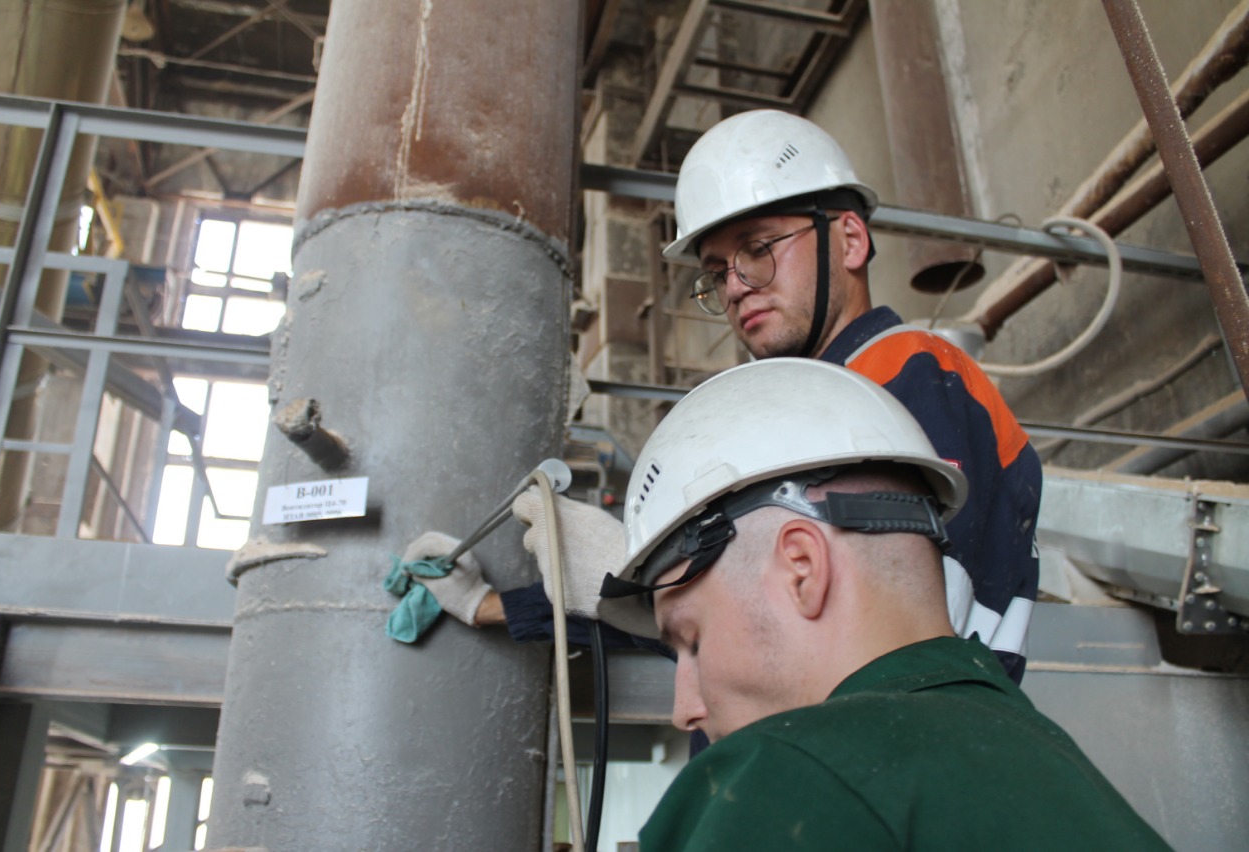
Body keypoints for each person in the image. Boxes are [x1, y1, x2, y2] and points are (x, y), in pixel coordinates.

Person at [413, 109, 1041, 682]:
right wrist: (487, 605)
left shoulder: (907, 373)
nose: (736, 287)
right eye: (716, 272)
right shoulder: (805, 410)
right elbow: (713, 620)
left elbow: (882, 625)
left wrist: (640, 579)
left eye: (759, 250)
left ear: (850, 239)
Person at [597, 359, 1169, 851]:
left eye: (692, 639)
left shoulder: (790, 775)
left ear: (803, 568)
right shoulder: (1049, 767)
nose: (684, 709)